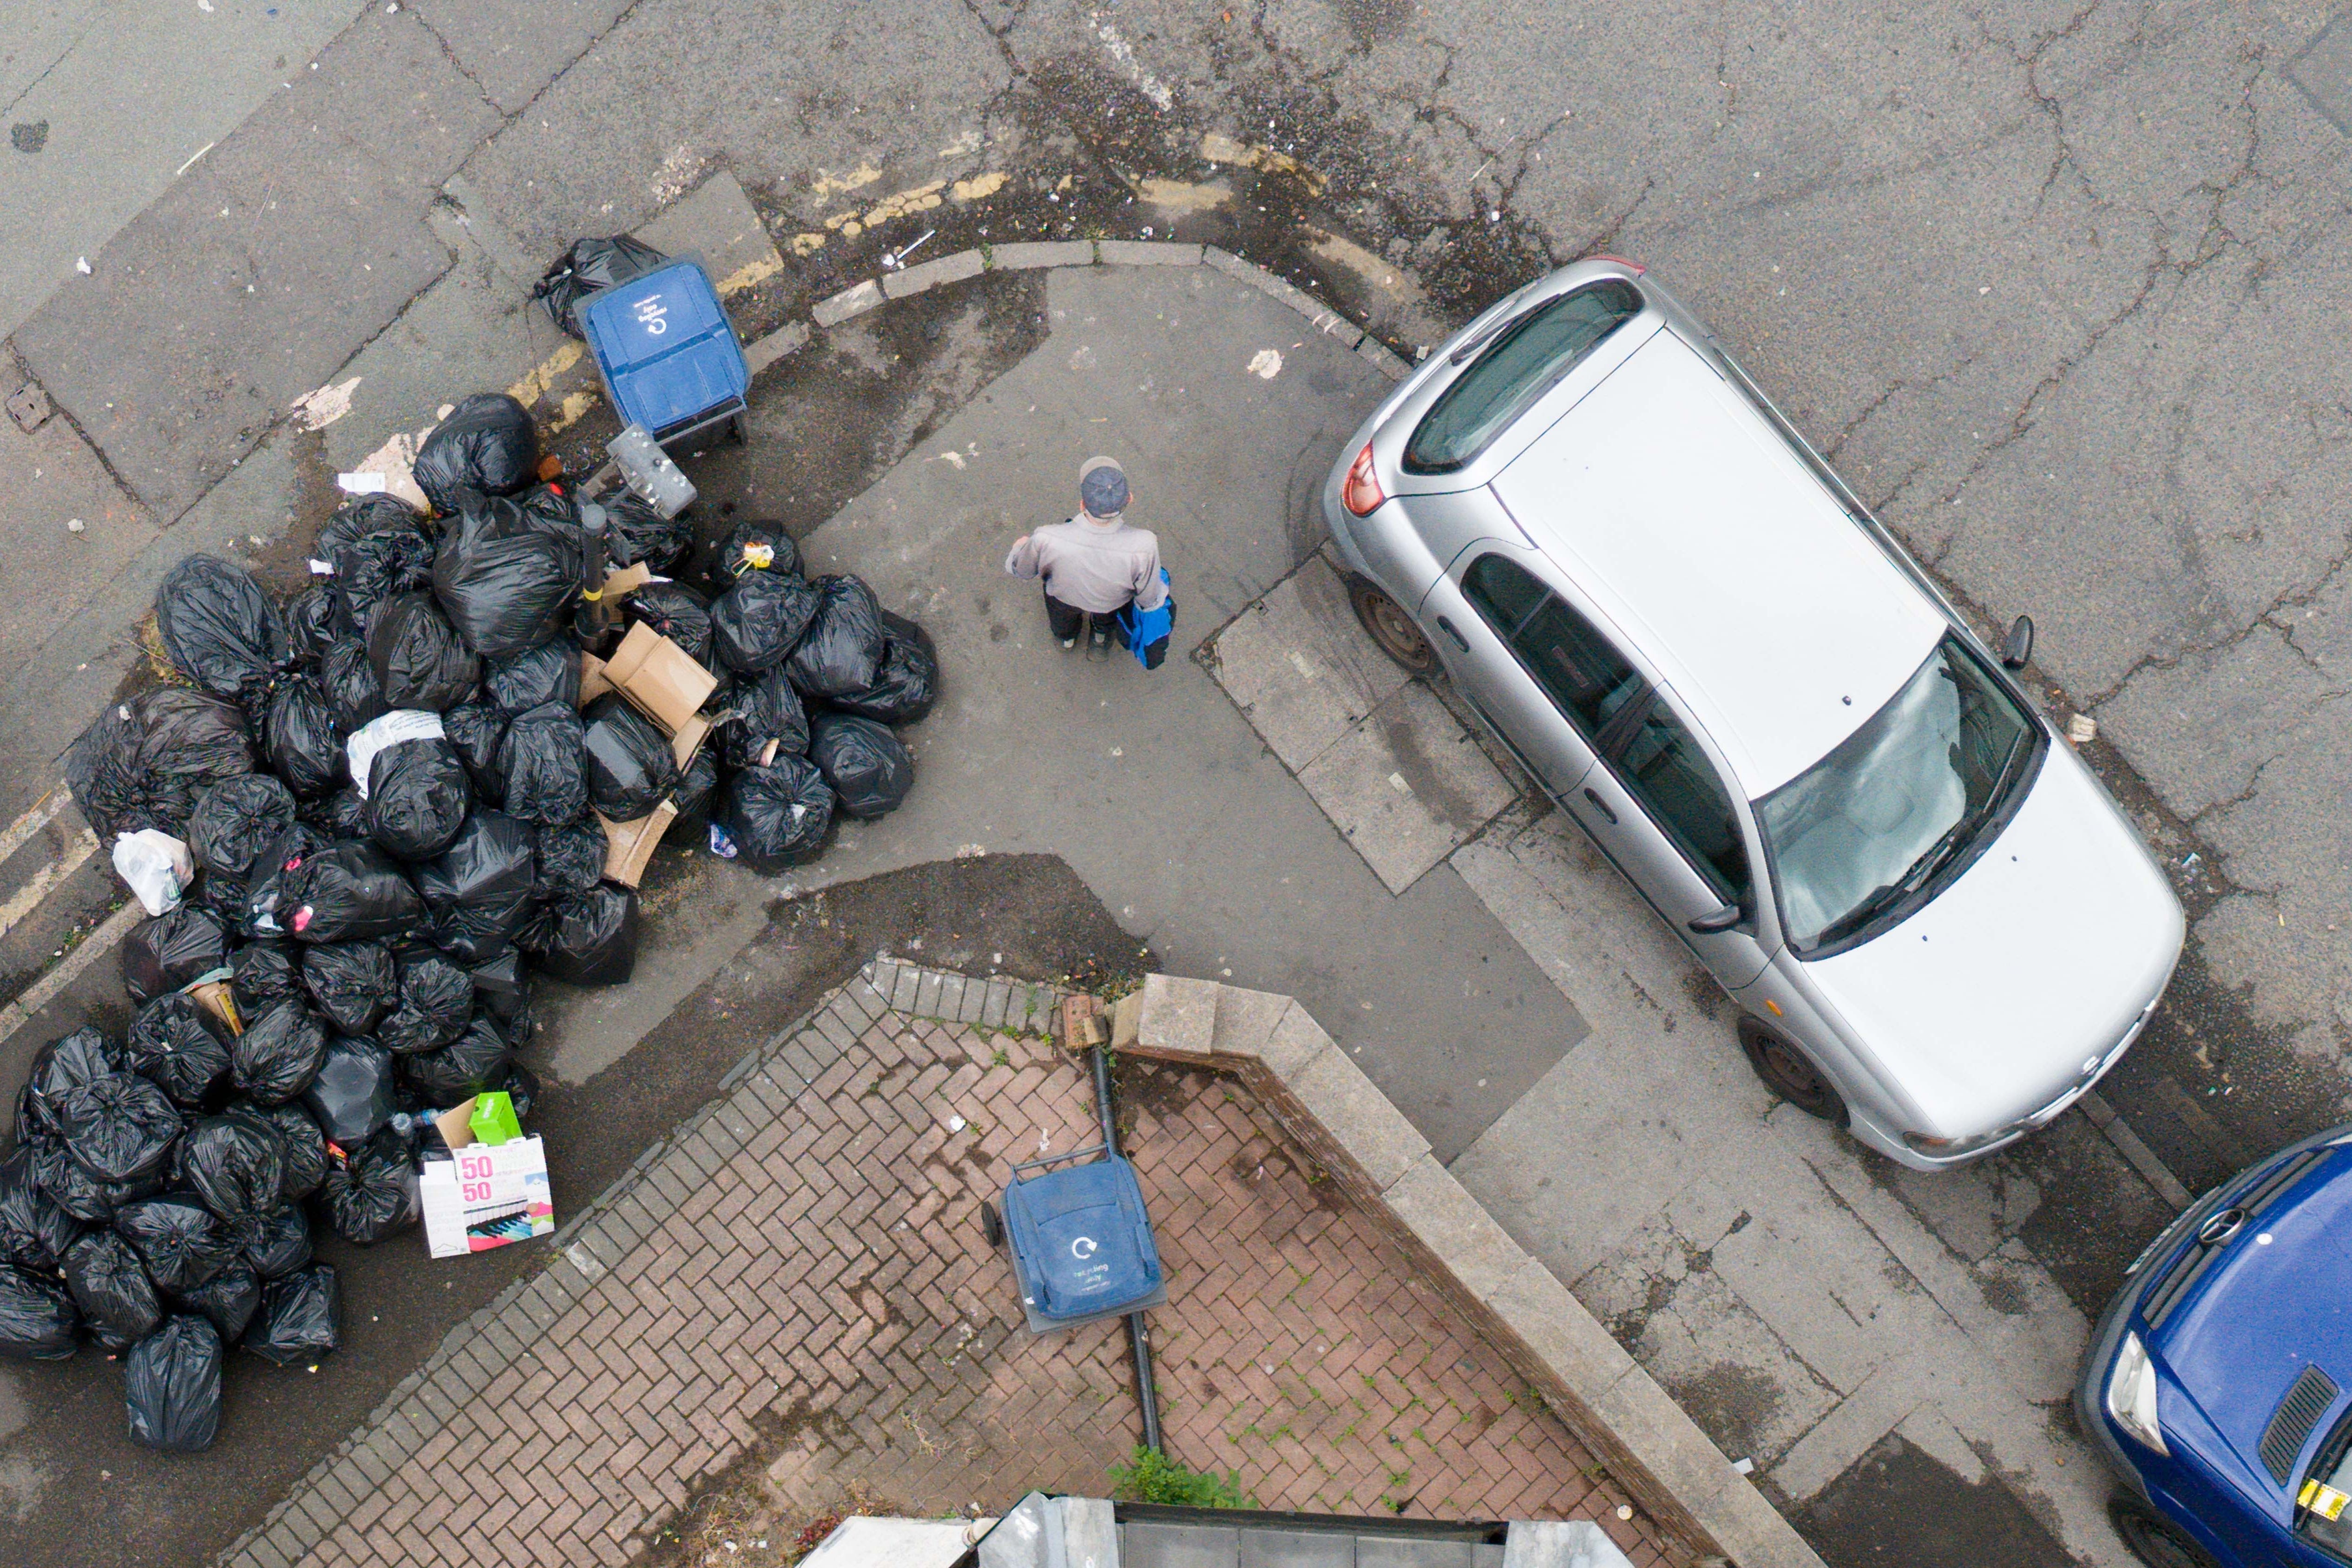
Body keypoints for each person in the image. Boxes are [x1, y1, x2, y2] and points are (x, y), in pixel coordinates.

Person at [1003, 456, 1169, 660]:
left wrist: (1019, 547)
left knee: (1061, 619)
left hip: (1063, 598)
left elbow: (1023, 570)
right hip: (1111, 603)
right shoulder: (1145, 545)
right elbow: (1147, 599)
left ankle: (1067, 638)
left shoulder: (1047, 537)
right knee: (1106, 619)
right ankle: (1100, 638)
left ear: (1083, 504)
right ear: (1130, 498)